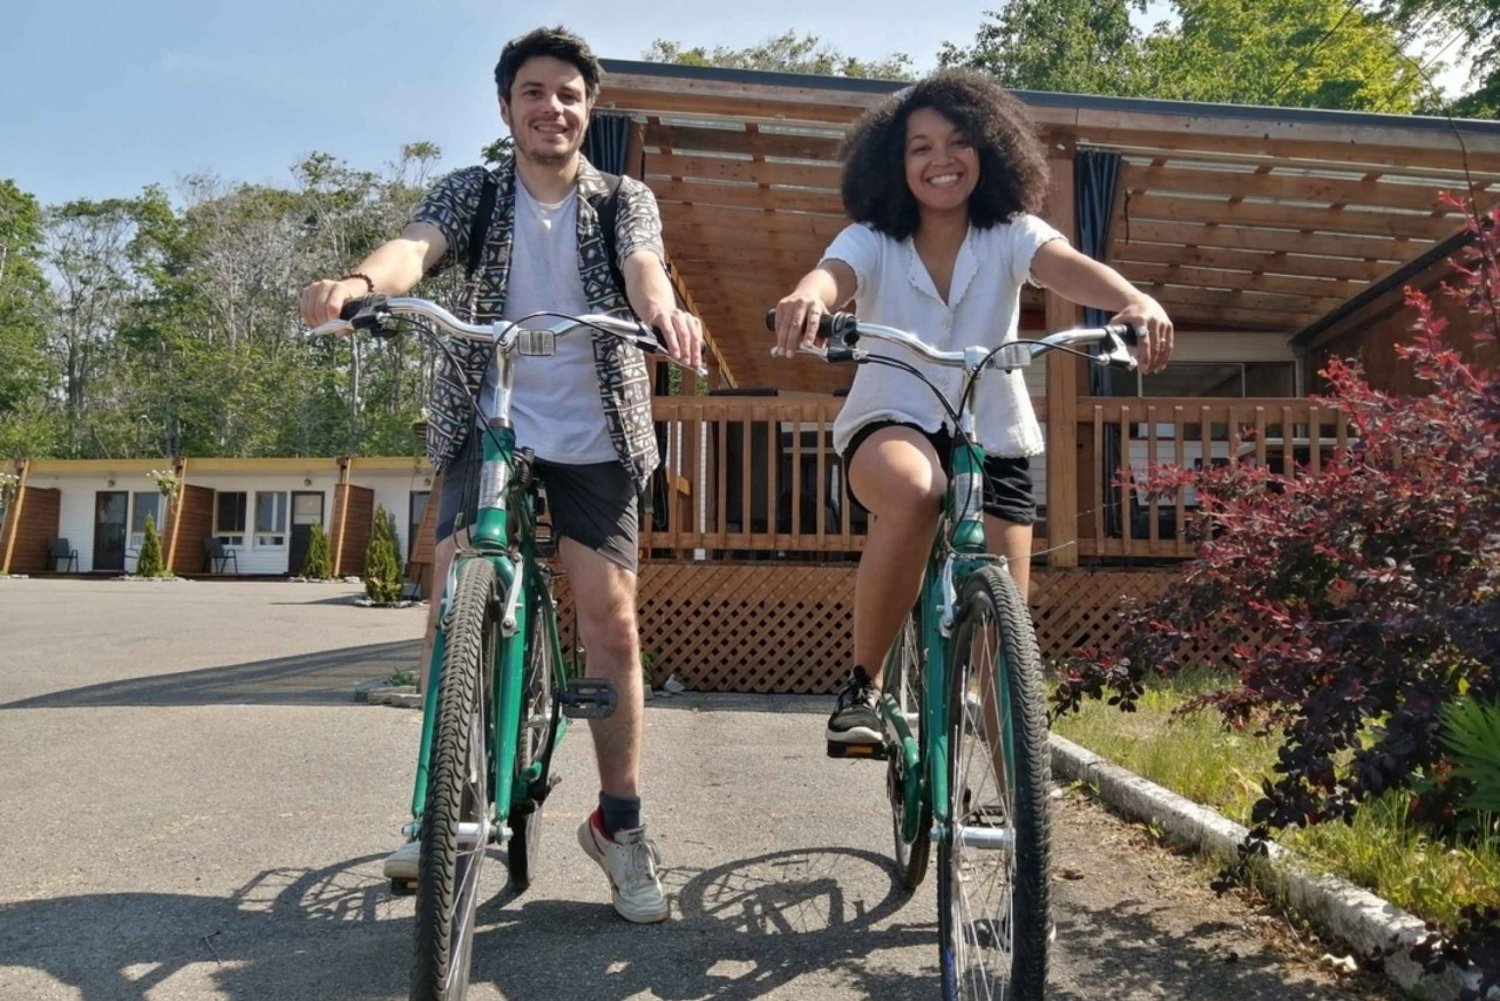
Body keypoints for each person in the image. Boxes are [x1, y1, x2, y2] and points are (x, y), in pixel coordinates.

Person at [300, 25, 702, 923]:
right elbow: (415, 247)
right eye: (534, 92)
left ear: (586, 109)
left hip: (595, 427)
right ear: (506, 107)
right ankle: (438, 808)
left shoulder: (618, 198)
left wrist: (665, 312)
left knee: (610, 618)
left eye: (568, 93)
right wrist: (359, 282)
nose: (551, 107)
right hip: (490, 419)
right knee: (452, 598)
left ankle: (621, 825)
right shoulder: (474, 192)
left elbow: (645, 270)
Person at [771, 71, 1173, 752]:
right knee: (914, 489)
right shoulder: (872, 236)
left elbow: (1065, 265)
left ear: (989, 151)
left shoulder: (1011, 232)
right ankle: (864, 687)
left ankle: (1014, 780)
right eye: (919, 148)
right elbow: (830, 275)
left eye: (957, 143)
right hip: (891, 414)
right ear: (895, 166)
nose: (940, 160)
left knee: (1004, 624)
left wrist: (1135, 300)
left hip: (993, 428)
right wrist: (808, 297)